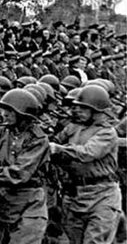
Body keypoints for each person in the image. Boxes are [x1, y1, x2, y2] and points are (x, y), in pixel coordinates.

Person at [0, 89, 50, 244]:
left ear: (23, 115)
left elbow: (20, 173)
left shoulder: (38, 139)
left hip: (29, 202)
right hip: (3, 201)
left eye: (11, 111)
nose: (5, 114)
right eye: (5, 109)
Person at [49, 85, 121, 244]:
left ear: (96, 111)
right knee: (74, 239)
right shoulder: (72, 128)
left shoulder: (106, 132)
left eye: (83, 108)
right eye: (76, 107)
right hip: (75, 195)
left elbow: (88, 153)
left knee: (94, 240)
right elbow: (54, 142)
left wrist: (58, 149)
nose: (77, 111)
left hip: (102, 195)